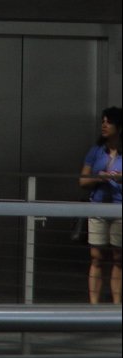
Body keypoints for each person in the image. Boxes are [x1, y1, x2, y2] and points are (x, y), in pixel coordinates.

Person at [80, 106, 122, 304]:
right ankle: (94, 306)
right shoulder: (96, 151)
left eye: (109, 122)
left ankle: (116, 307)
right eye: (102, 121)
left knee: (118, 258)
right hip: (97, 208)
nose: (104, 125)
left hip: (119, 209)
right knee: (96, 256)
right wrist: (98, 178)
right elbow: (82, 181)